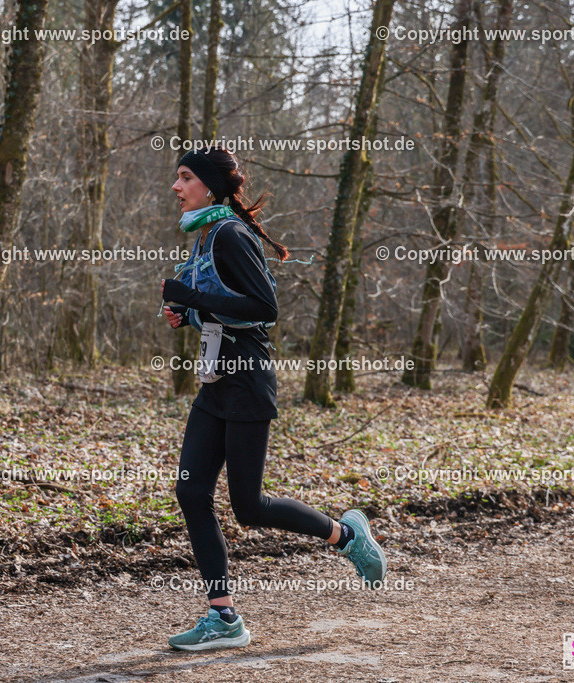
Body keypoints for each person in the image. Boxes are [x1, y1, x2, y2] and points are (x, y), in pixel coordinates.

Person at [159, 147, 387, 652]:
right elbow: (228, 313)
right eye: (176, 177)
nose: (176, 187)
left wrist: (192, 297)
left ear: (210, 186)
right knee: (192, 494)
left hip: (248, 385)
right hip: (217, 384)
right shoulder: (207, 235)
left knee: (249, 506)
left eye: (185, 177)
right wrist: (188, 315)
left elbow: (265, 308)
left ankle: (348, 537)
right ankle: (224, 618)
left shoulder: (230, 235)